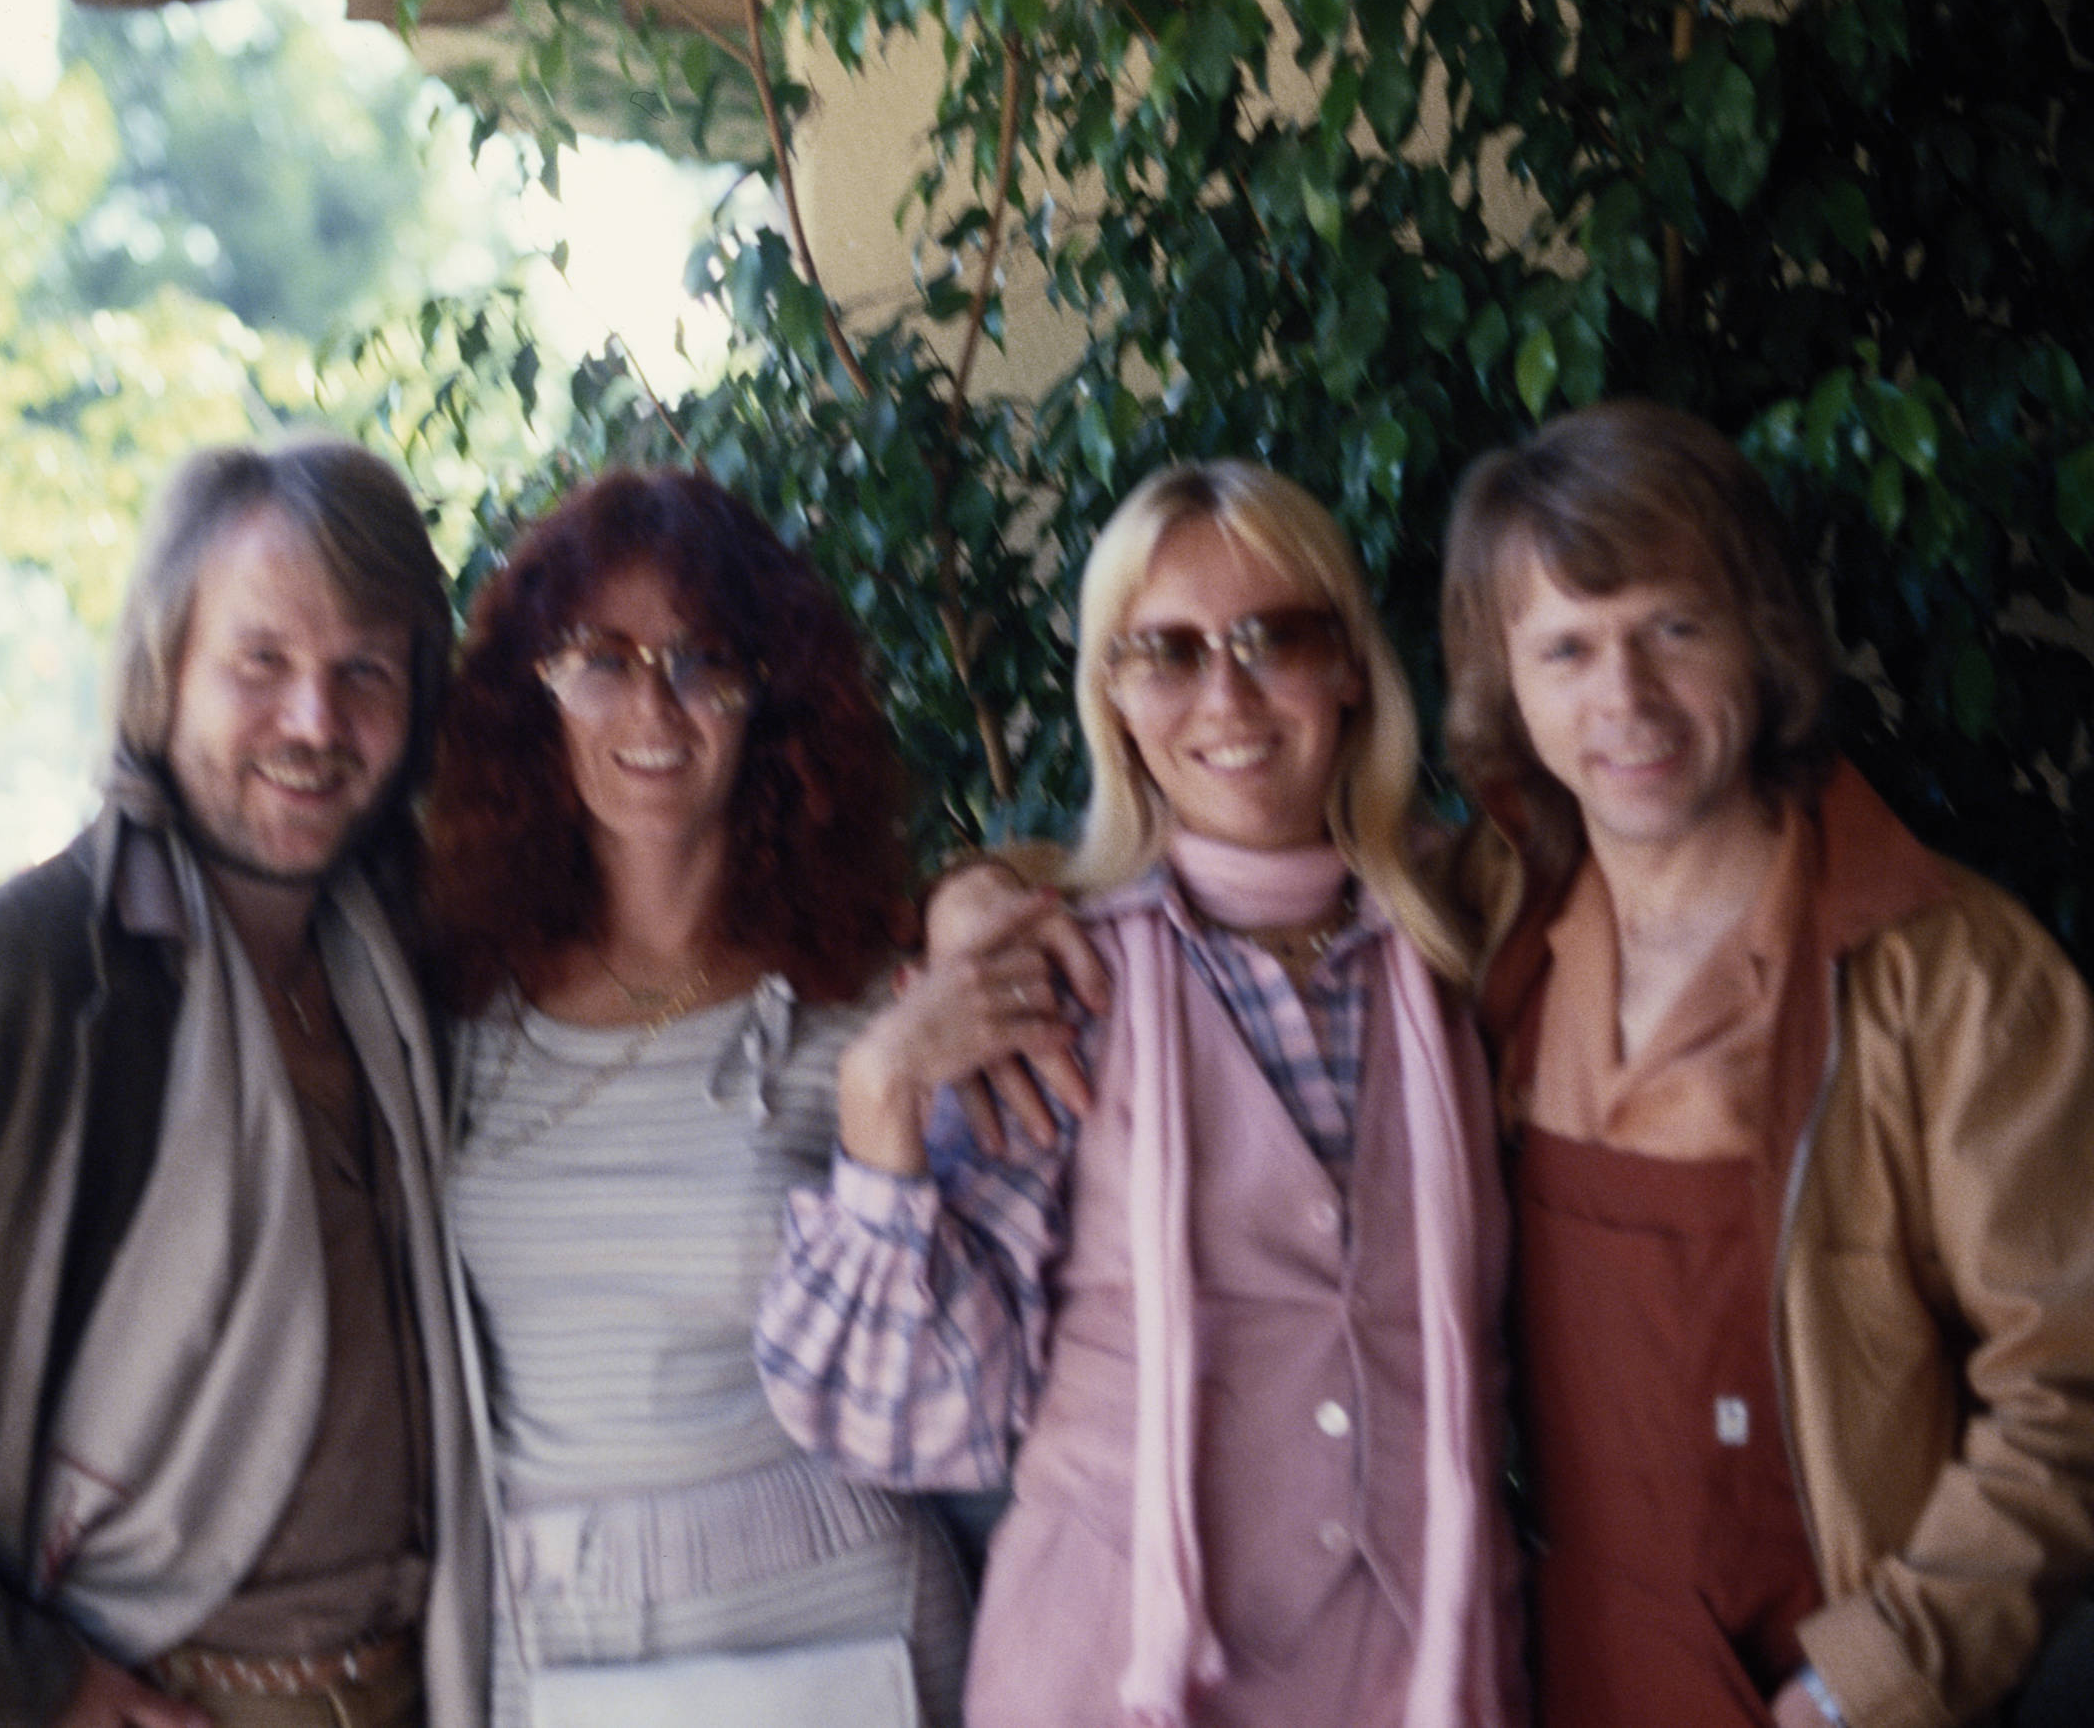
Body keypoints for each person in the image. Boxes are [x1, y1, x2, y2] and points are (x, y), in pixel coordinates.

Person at [0, 438, 487, 1728]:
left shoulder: (418, 974)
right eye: (260, 662)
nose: (315, 721)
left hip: (423, 1689)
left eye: (364, 673)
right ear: (163, 674)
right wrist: (24, 1688)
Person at [756, 460, 1526, 1728]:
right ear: (1111, 697)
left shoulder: (1472, 940)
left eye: (1270, 637)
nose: (1223, 694)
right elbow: (914, 1424)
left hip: (1427, 1669)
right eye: (1163, 652)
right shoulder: (1054, 982)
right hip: (1110, 1675)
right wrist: (881, 1095)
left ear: (1348, 668)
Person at [1439, 397, 2094, 1728]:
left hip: (1814, 1677)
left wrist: (1864, 1683)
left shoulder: (1955, 971)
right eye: (1566, 647)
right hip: (1550, 1665)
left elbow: (2068, 1386)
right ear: (1508, 683)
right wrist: (992, 902)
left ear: (1764, 637)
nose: (1622, 697)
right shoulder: (1486, 928)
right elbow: (1233, 888)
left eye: (1673, 627)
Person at [424, 470, 970, 1726]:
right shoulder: (454, 1000)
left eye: (702, 659)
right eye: (601, 659)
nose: (654, 706)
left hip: (842, 1607)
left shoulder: (867, 997)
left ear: (770, 695)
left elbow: (946, 1371)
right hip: (547, 1621)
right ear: (534, 693)